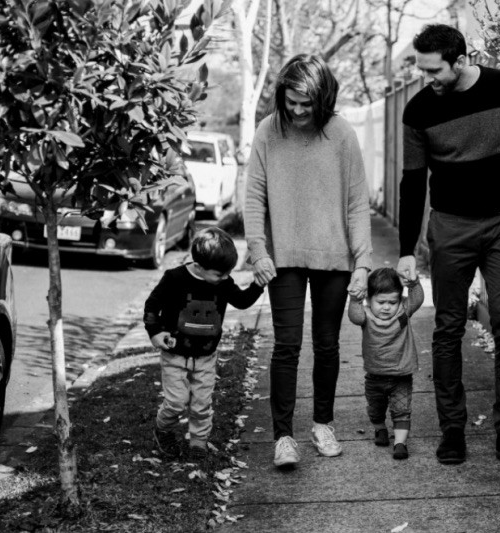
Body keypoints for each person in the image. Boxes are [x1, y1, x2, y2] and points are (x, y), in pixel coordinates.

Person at [397, 24, 500, 468]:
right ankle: (452, 430)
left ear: (460, 60)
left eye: (433, 70)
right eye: (422, 69)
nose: (426, 78)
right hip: (450, 227)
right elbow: (412, 182)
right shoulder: (418, 111)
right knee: (447, 327)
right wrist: (406, 248)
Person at [245, 54, 373, 469]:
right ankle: (283, 437)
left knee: (327, 344)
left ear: (323, 98)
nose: (298, 111)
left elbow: (357, 203)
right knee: (286, 346)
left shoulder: (341, 134)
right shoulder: (268, 131)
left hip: (334, 257)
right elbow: (254, 196)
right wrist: (258, 250)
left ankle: (323, 424)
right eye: (291, 102)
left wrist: (362, 263)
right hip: (283, 257)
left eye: (307, 103)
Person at [144, 227, 264, 461]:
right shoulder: (175, 279)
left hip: (206, 356)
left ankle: (198, 443)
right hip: (174, 354)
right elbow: (152, 305)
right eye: (219, 274)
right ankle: (163, 429)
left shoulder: (223, 282)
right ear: (199, 266)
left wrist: (258, 285)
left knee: (201, 403)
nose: (225, 278)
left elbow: (241, 301)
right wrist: (154, 332)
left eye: (228, 273)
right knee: (176, 402)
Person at [348, 267, 424, 460]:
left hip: (401, 375)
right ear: (368, 299)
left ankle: (400, 443)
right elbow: (355, 317)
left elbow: (417, 299)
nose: (387, 307)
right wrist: (355, 299)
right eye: (381, 302)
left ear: (399, 299)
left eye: (392, 302)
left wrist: (414, 283)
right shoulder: (366, 315)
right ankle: (380, 428)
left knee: (402, 410)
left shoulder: (403, 311)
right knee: (375, 409)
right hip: (375, 376)